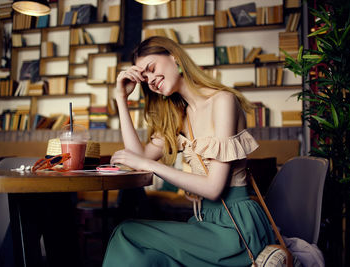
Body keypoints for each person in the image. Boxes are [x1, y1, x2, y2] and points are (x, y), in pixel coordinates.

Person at [102, 36, 275, 266]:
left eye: (152, 69)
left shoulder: (223, 101)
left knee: (126, 232)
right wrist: (121, 99)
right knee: (143, 257)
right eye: (145, 78)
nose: (151, 80)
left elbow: (214, 189)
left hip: (237, 229)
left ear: (175, 59)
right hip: (205, 222)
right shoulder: (179, 116)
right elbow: (138, 159)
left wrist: (152, 166)